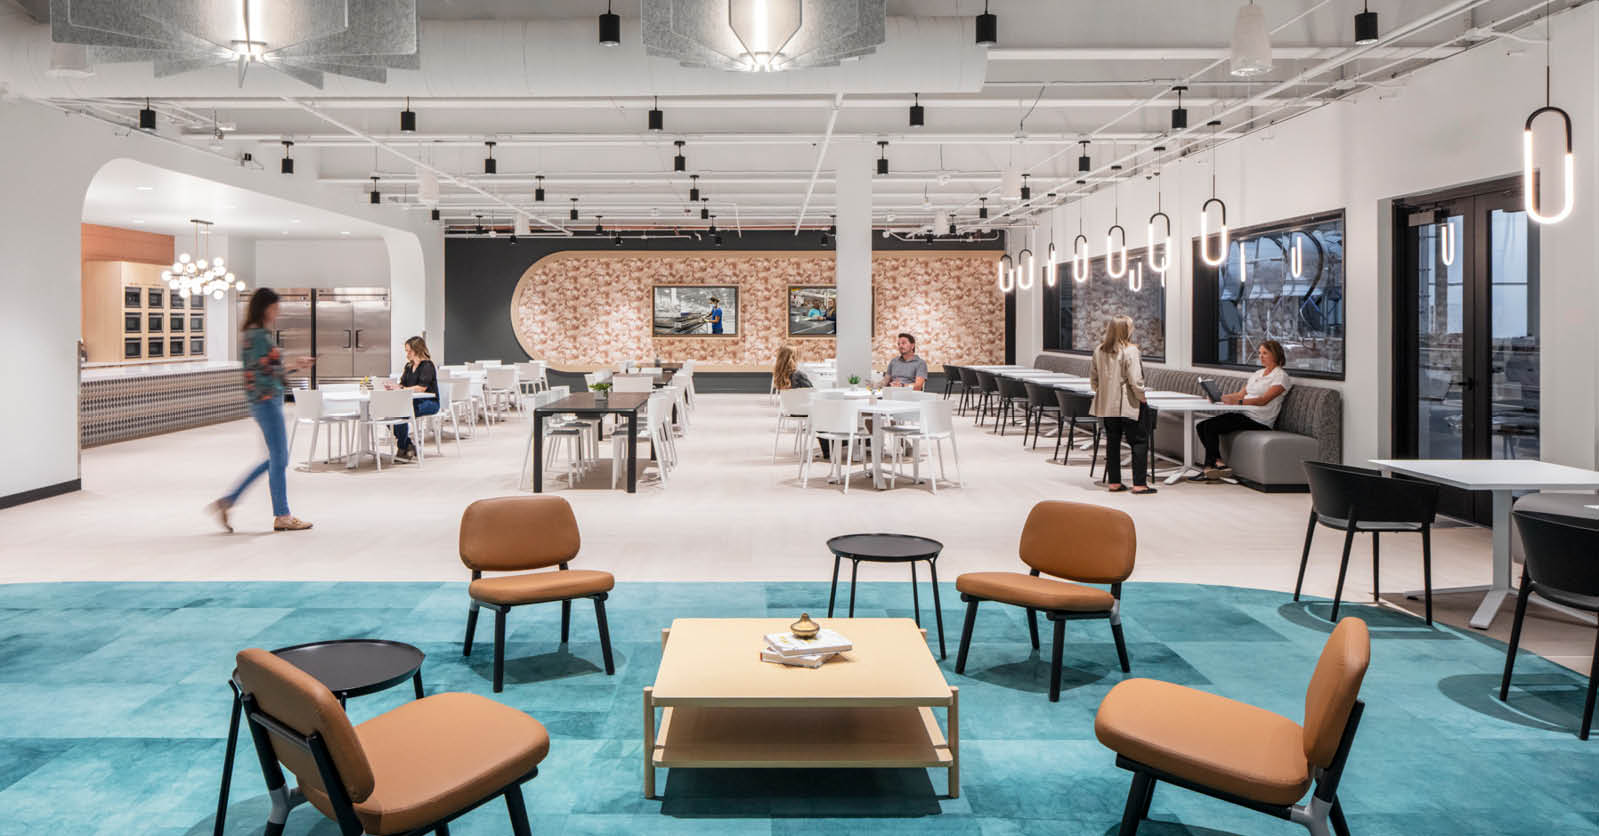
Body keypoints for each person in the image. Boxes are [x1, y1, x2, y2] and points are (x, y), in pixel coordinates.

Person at [209, 288, 315, 532]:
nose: (277, 312)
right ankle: (281, 515)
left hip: (265, 400)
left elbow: (266, 369)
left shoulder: (253, 334)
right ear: (265, 308)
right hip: (266, 401)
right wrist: (294, 365)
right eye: (275, 307)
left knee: (277, 458)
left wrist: (293, 366)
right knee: (279, 458)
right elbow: (268, 372)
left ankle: (233, 501)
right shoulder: (258, 336)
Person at [1193, 340, 1292, 481]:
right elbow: (1240, 395)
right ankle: (1217, 464)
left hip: (1260, 420)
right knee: (1201, 425)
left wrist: (1238, 402)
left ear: (1275, 354)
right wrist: (1220, 398)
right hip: (1245, 415)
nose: (1261, 356)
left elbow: (1263, 400)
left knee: (1209, 426)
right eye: (1259, 353)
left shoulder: (1281, 377)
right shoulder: (1258, 373)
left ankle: (1212, 467)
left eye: (1265, 353)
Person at [1090, 314, 1156, 494]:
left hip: (1107, 405)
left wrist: (1104, 391)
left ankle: (1114, 482)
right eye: (1131, 326)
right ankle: (1139, 484)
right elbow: (1135, 379)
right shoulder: (1131, 350)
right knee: (1139, 441)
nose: (1133, 329)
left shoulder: (1099, 350)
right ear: (1125, 330)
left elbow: (1094, 379)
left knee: (1112, 442)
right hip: (1129, 404)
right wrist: (1142, 397)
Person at [385, 336, 440, 461]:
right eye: (406, 351)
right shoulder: (409, 366)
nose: (407, 354)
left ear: (417, 350)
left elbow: (421, 388)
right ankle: (407, 445)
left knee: (402, 413)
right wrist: (396, 387)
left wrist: (403, 389)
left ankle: (403, 447)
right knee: (389, 415)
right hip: (412, 402)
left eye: (409, 351)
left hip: (429, 402)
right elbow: (403, 384)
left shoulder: (427, 366)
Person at [773, 345, 828, 458]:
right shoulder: (798, 374)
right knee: (825, 411)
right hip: (804, 409)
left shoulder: (779, 375)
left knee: (820, 413)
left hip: (789, 409)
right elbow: (812, 391)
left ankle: (828, 448)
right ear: (793, 358)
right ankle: (830, 446)